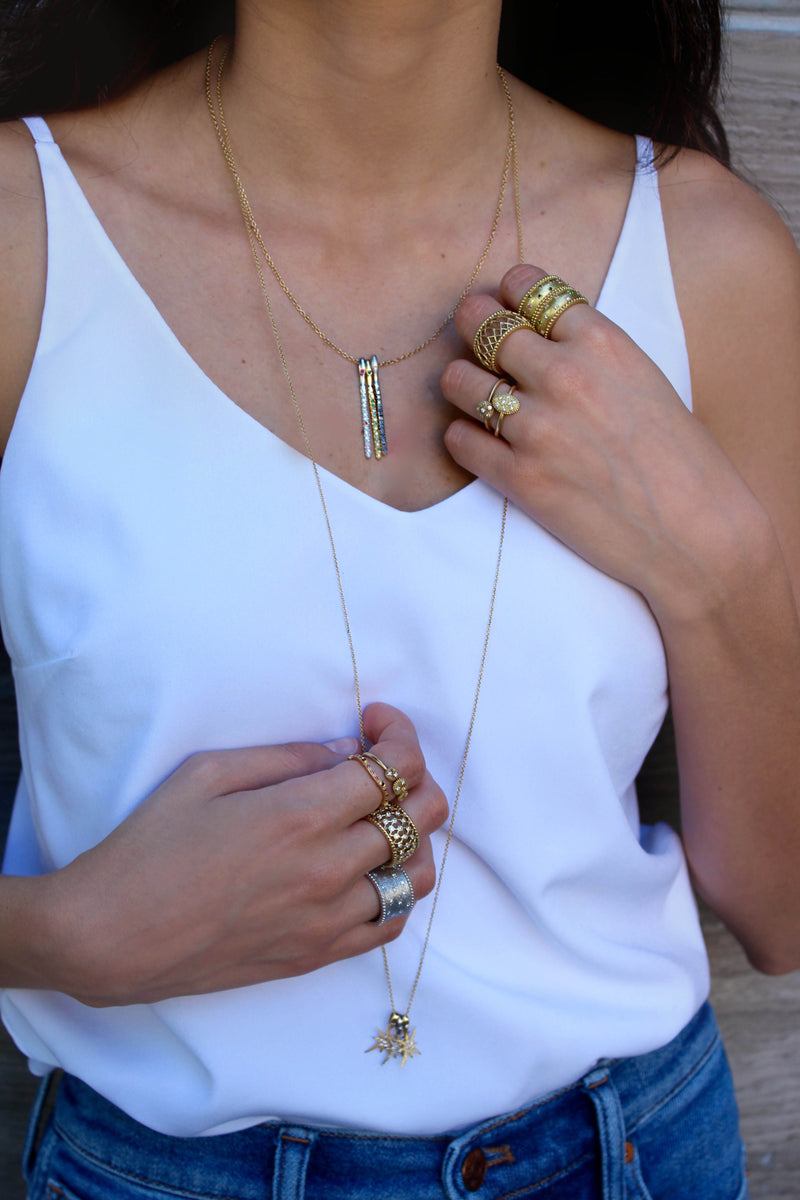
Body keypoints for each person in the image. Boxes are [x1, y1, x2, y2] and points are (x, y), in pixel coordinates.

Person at [0, 0, 798, 1196]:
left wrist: (719, 565)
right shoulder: (25, 237)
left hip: (631, 1150)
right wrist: (62, 938)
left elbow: (779, 910)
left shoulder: (705, 258)